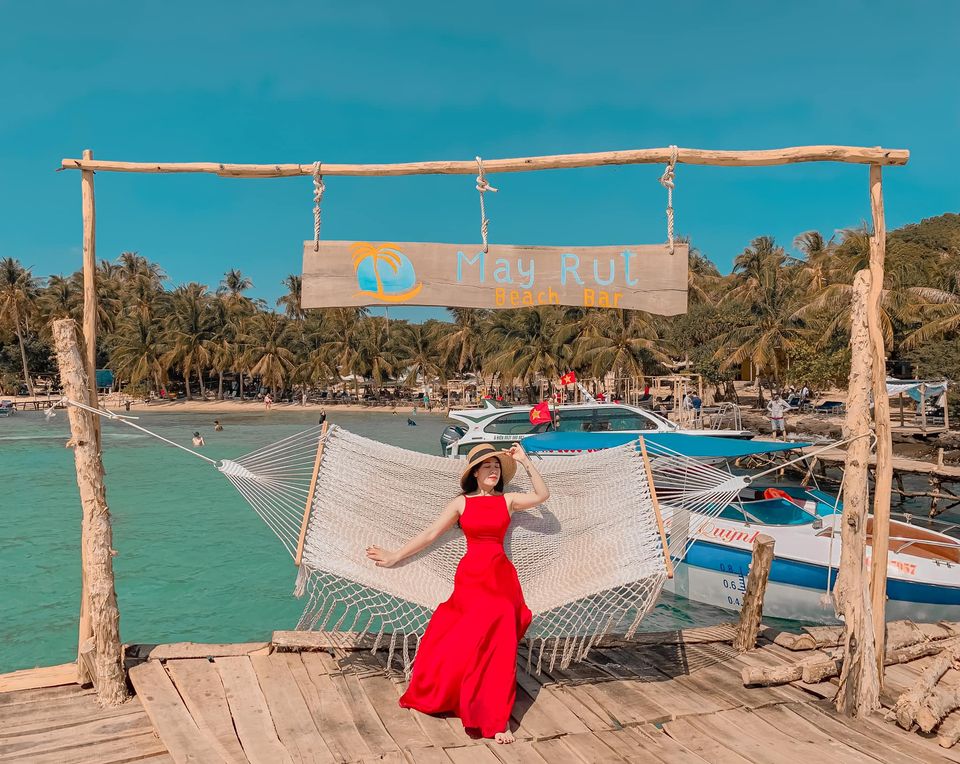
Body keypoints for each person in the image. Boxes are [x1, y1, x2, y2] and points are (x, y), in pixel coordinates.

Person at [366, 442, 549, 744]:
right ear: (475, 472)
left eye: (497, 466)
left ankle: (496, 716)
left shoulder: (508, 500)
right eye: (487, 466)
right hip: (472, 576)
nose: (493, 470)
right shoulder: (461, 503)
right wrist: (395, 555)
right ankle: (467, 697)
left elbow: (542, 496)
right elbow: (430, 533)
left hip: (501, 576)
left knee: (502, 627)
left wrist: (526, 462)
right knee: (468, 633)